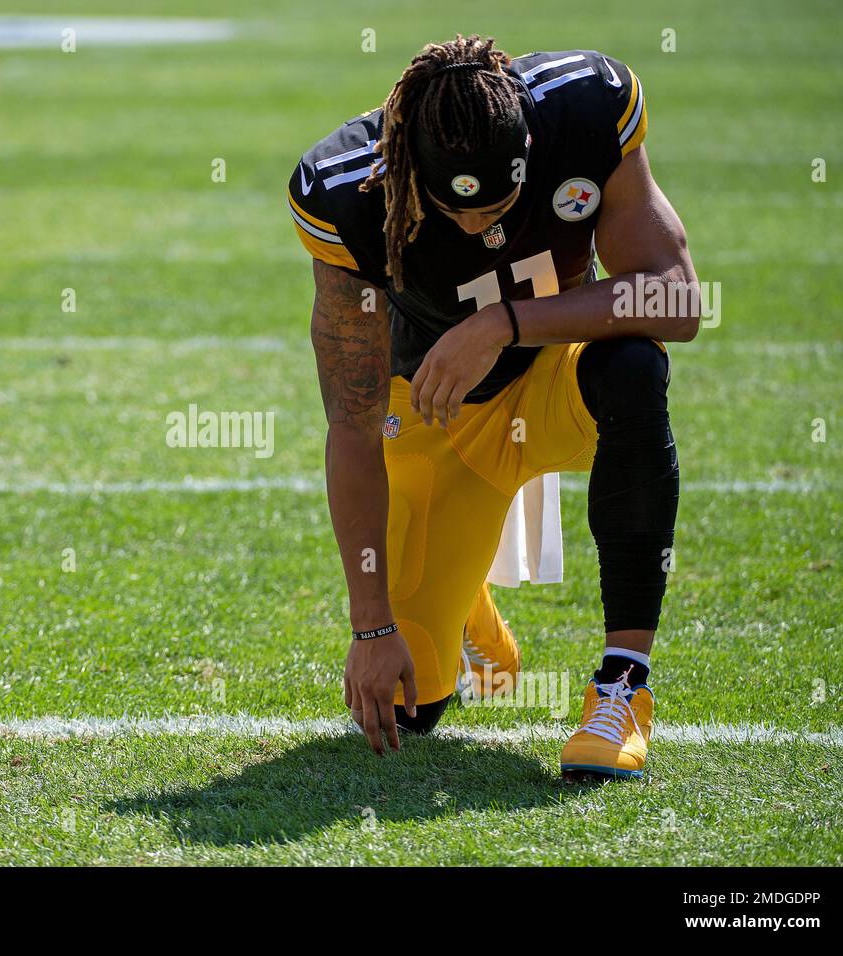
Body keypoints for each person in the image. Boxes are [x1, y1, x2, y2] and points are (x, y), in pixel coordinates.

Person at [289, 35, 698, 778]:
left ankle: (622, 688)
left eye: (504, 204)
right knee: (412, 706)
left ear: (532, 147)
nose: (484, 228)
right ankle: (466, 586)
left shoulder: (584, 106)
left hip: (554, 380)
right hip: (436, 416)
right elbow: (350, 427)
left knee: (635, 365)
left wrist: (504, 324)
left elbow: (675, 295)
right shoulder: (348, 191)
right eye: (457, 209)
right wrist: (371, 625)